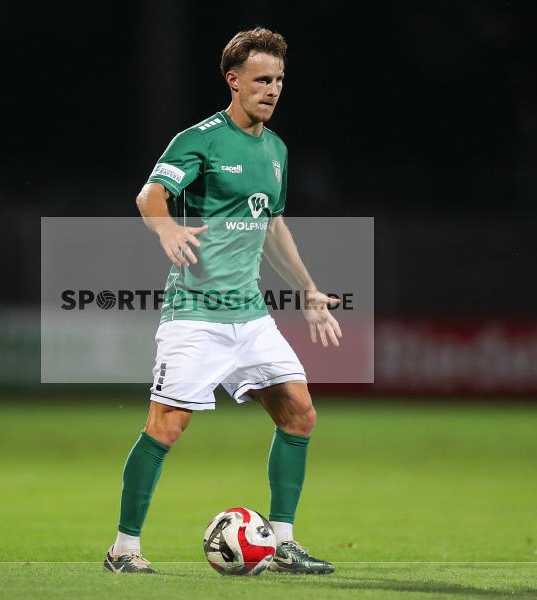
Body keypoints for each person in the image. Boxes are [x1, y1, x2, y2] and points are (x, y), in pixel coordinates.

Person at [104, 27, 342, 575]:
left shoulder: (277, 149)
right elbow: (150, 194)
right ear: (233, 81)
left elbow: (272, 225)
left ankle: (282, 543)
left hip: (251, 316)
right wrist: (165, 229)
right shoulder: (201, 140)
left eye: (280, 79)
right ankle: (123, 549)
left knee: (300, 413)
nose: (273, 89)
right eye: (262, 79)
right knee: (164, 428)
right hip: (195, 317)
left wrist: (306, 288)